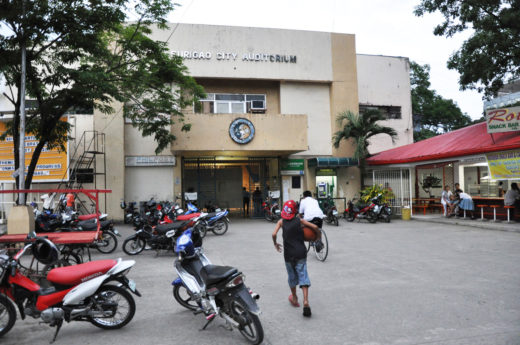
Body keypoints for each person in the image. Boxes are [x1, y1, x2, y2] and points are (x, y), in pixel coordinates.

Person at [272, 200, 321, 317]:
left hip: (288, 255)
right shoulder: (300, 221)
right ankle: (306, 301)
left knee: (292, 276)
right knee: (303, 275)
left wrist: (275, 243)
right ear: (295, 211)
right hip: (300, 253)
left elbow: (274, 234)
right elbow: (315, 227)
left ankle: (294, 298)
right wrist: (318, 238)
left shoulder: (281, 222)